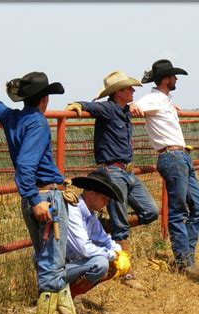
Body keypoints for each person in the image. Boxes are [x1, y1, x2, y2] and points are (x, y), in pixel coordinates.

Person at [0, 71, 80, 314]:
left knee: (48, 260)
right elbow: (26, 166)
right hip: (45, 197)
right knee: (52, 262)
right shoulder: (38, 123)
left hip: (34, 198)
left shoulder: (12, 117)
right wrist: (35, 198)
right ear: (45, 99)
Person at [65, 71, 159, 290]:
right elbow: (90, 105)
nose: (133, 91)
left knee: (151, 211)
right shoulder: (107, 109)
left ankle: (107, 226)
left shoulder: (125, 110)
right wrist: (77, 104)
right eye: (129, 88)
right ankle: (127, 273)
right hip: (114, 171)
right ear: (119, 92)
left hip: (127, 171)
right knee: (121, 226)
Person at [132, 59, 199, 277]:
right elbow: (132, 107)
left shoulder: (163, 101)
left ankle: (186, 257)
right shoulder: (153, 99)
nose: (176, 80)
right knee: (178, 211)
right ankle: (185, 261)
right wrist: (133, 107)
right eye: (174, 77)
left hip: (180, 155)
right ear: (166, 79)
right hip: (172, 156)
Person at [66, 170, 131, 298]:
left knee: (108, 263)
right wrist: (113, 255)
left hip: (70, 264)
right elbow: (84, 249)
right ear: (91, 194)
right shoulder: (73, 211)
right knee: (101, 264)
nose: (107, 202)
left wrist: (119, 252)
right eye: (105, 197)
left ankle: (71, 296)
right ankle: (70, 297)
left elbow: (104, 240)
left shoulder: (90, 215)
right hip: (55, 268)